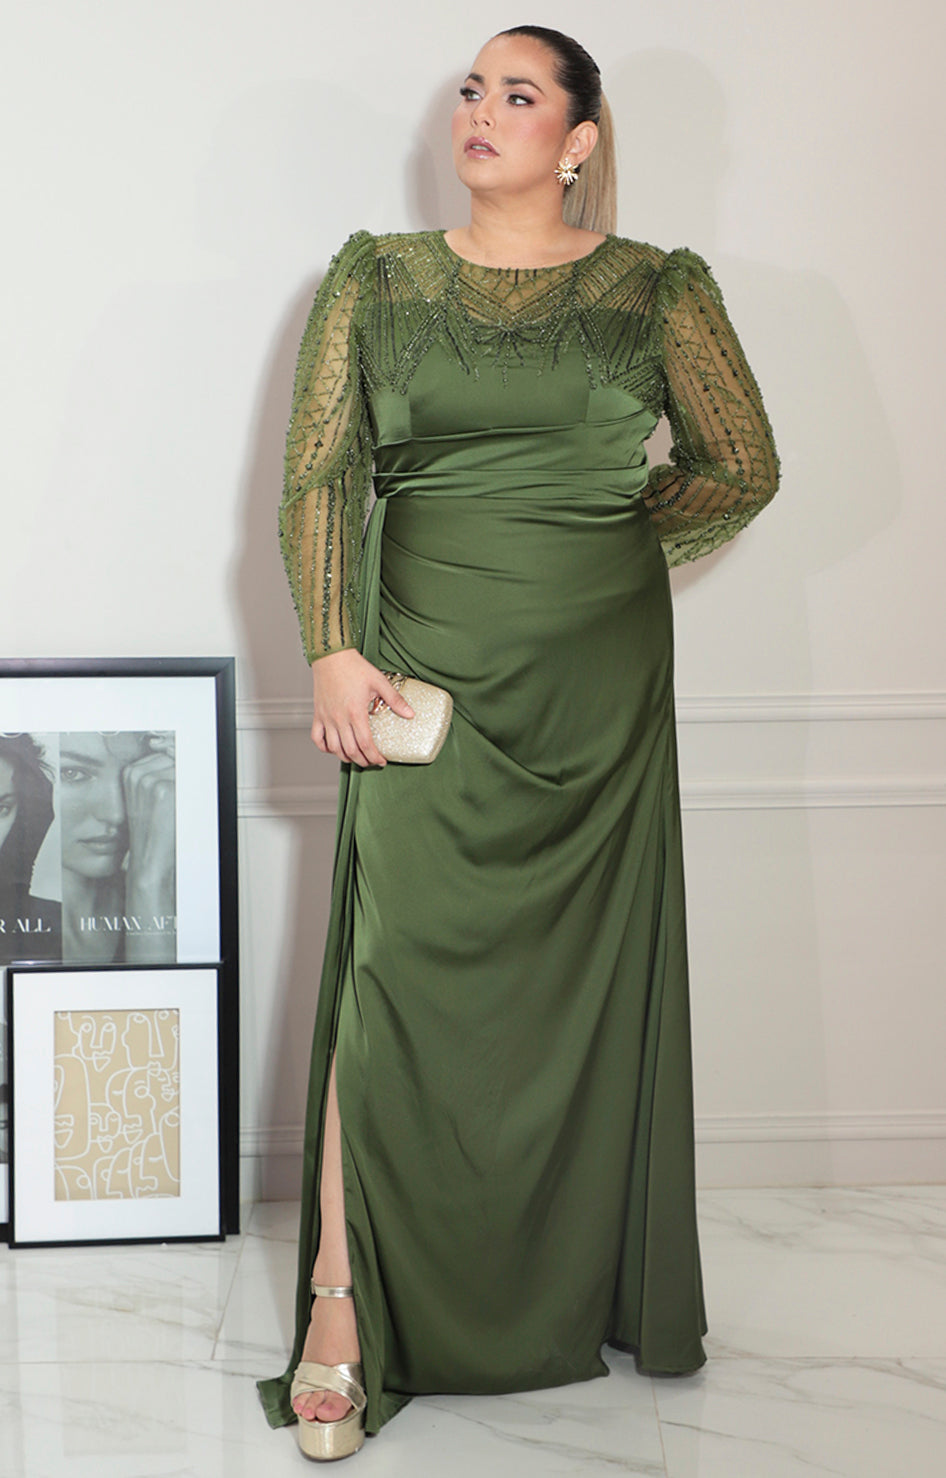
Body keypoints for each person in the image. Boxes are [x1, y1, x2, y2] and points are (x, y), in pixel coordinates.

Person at [258, 24, 779, 1462]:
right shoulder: (375, 276)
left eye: (519, 93)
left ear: (578, 139)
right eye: (470, 90)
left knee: (574, 997)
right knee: (388, 971)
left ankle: (574, 1285)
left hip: (594, 693)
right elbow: (318, 473)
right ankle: (338, 1302)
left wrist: (600, 548)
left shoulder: (657, 289)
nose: (479, 111)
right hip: (416, 664)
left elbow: (741, 463)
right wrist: (331, 642)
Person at [58, 731, 177, 964]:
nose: (117, 814)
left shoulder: (194, 904)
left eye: (136, 778)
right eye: (73, 773)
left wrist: (150, 883)